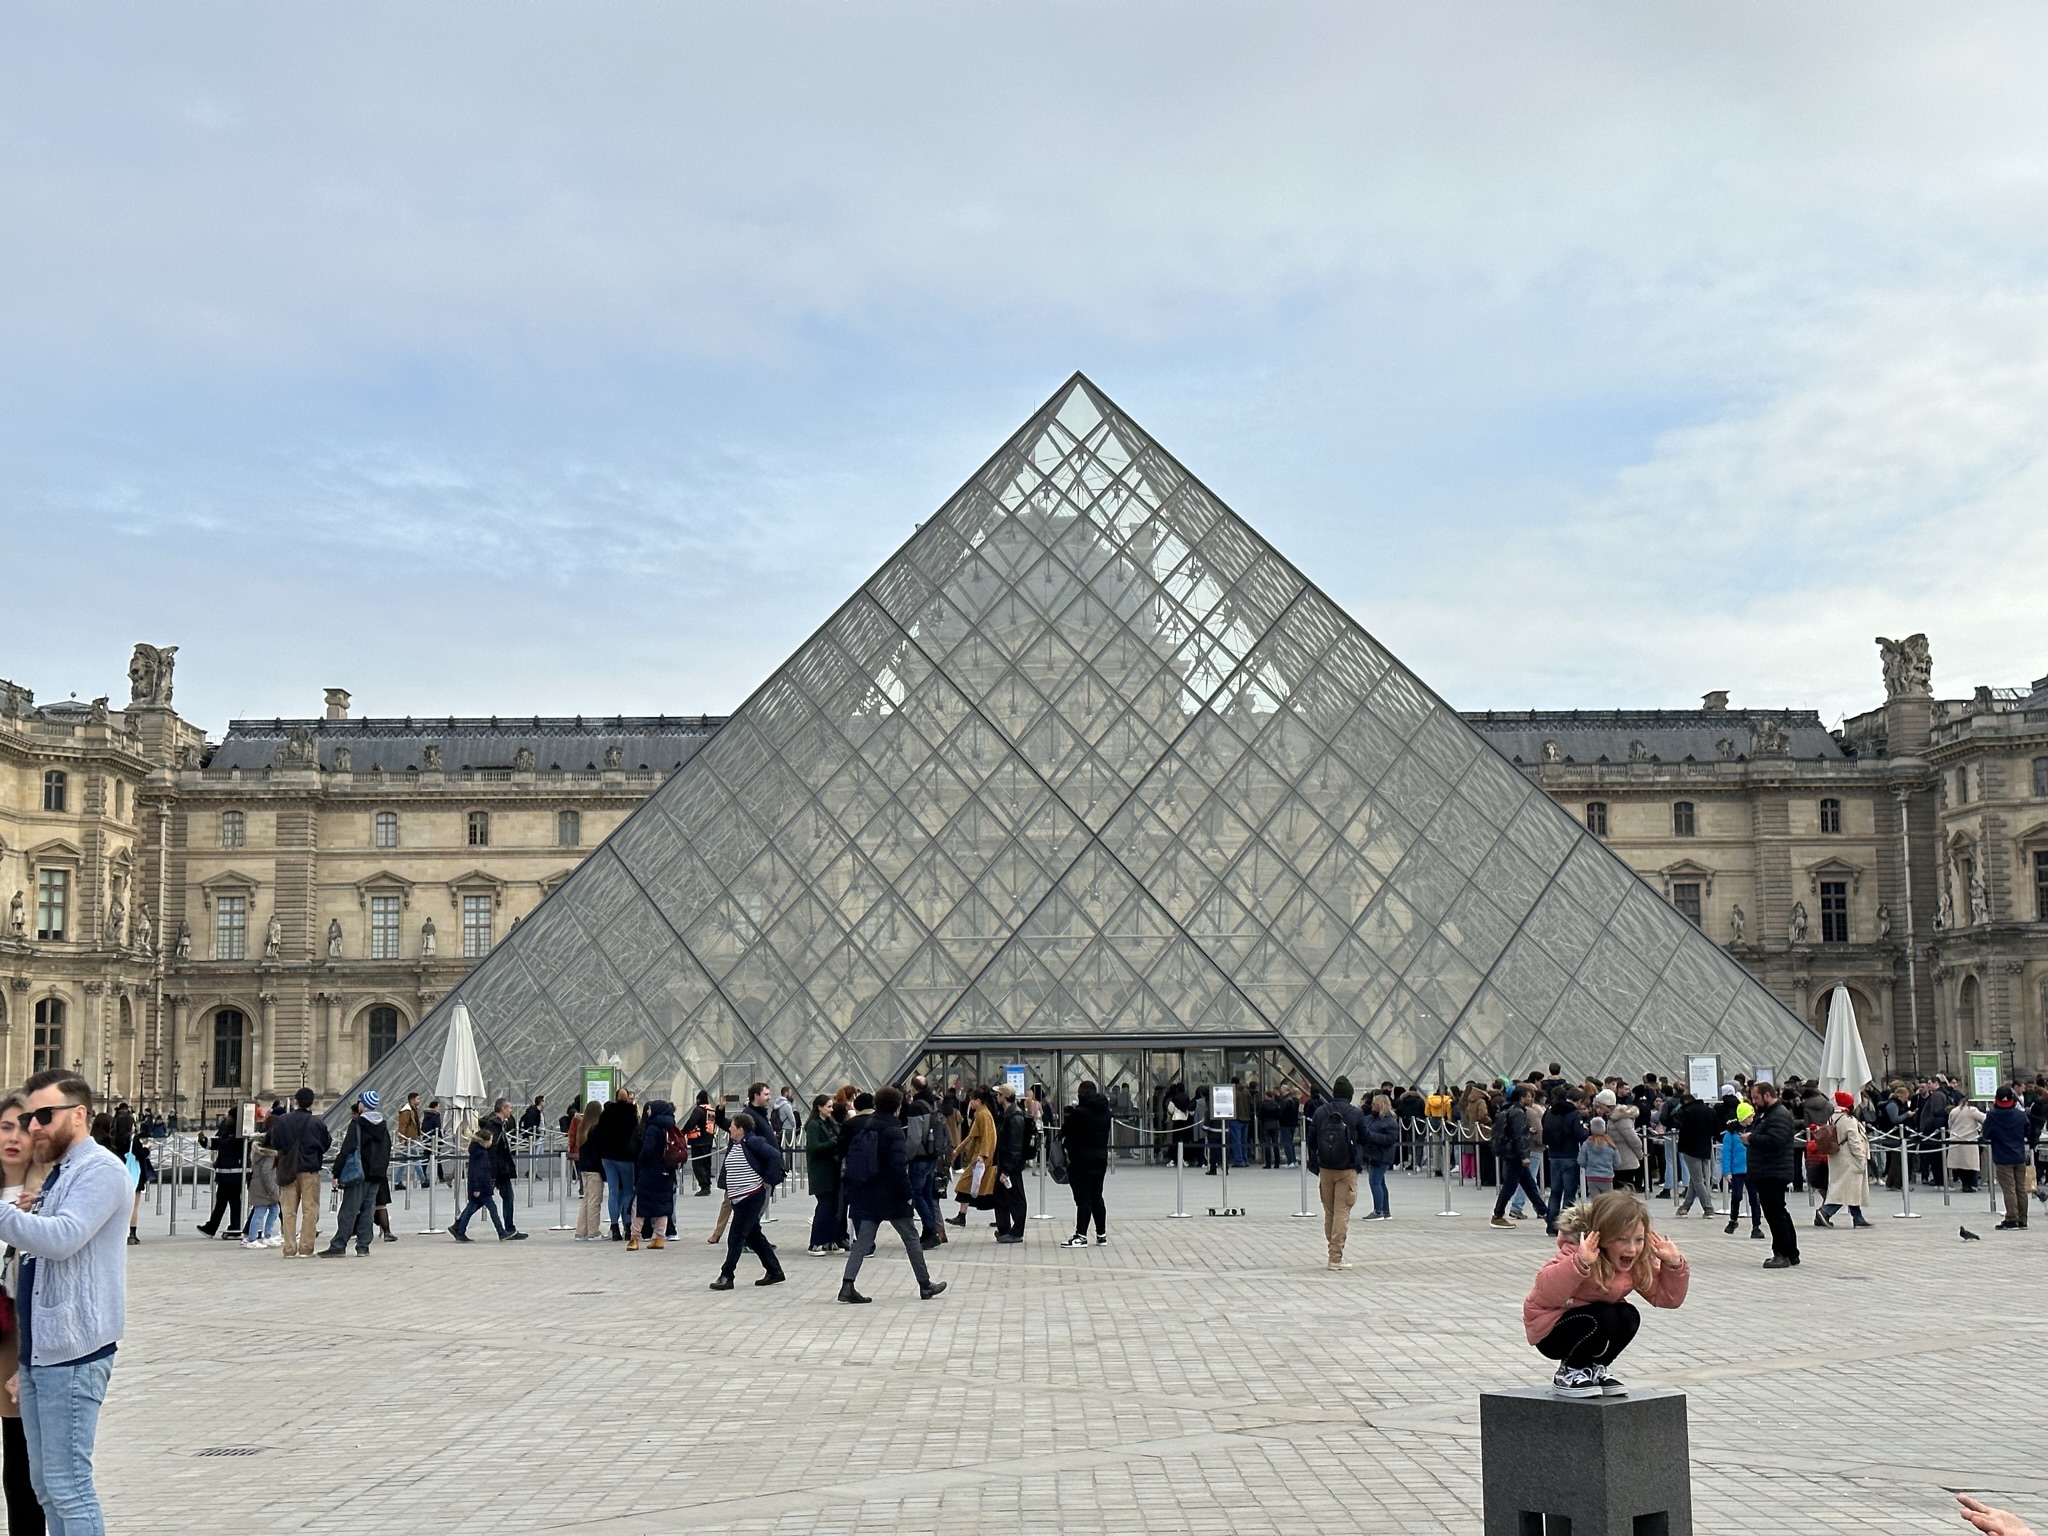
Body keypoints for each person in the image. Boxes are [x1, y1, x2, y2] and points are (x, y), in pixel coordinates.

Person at [0, 1070, 131, 1534]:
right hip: (45, 1353)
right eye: (30, 1116)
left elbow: (63, 1239)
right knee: (46, 1486)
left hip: (74, 1350)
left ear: (78, 1115)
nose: (33, 1126)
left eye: (43, 1115)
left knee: (69, 1487)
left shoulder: (101, 1169)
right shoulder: (65, 1172)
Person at [1523, 1190, 1689, 1397]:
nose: (1632, 1248)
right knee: (1604, 1315)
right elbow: (1546, 1293)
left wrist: (1673, 1265)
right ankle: (1569, 1372)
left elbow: (1666, 1298)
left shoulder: (1636, 1264)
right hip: (1551, 1332)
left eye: (1638, 1240)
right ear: (1603, 1236)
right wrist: (1579, 1263)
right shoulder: (1579, 1252)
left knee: (1628, 1315)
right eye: (1622, 1239)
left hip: (1593, 1325)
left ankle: (1594, 1368)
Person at [838, 1087, 946, 1303]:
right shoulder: (894, 1131)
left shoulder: (865, 1125)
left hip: (867, 1193)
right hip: (891, 1195)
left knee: (862, 1242)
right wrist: (907, 1194)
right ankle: (925, 1285)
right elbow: (898, 1167)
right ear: (897, 1108)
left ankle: (847, 1285)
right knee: (911, 1238)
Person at [0, 1090, 50, 1536]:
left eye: (22, 1127)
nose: (13, 1137)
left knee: (20, 1463)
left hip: (18, 1332)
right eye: (4, 1126)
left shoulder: (47, 1194)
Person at [709, 1111, 786, 1290]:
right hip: (741, 1196)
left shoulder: (753, 1141)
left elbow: (775, 1156)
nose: (730, 1128)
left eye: (733, 1127)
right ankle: (774, 1271)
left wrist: (768, 1178)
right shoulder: (738, 1142)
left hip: (751, 1195)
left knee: (736, 1236)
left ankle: (727, 1275)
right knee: (753, 1236)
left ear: (741, 1129)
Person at [320, 1091, 392, 1258]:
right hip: (376, 1175)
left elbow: (347, 1149)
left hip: (359, 1174)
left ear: (363, 1105)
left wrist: (336, 1172)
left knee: (349, 1210)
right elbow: (386, 1150)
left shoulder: (358, 1124)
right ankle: (363, 1247)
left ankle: (338, 1245)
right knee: (368, 1210)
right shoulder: (383, 1125)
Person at [264, 1086, 332, 1259]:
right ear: (312, 1103)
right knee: (310, 1210)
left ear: (295, 1101)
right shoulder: (317, 1123)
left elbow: (275, 1141)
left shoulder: (283, 1121)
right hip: (309, 1170)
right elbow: (326, 1144)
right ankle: (306, 1248)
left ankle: (289, 1248)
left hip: (288, 1170)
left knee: (288, 1210)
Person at [1307, 1077, 1365, 1269]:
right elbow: (1365, 1137)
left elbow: (1311, 1140)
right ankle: (1335, 1257)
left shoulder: (1320, 1112)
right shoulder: (1355, 1113)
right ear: (1349, 1095)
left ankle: (1332, 1250)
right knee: (1342, 1212)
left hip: (1325, 1169)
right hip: (1347, 1169)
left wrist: (1315, 1163)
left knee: (1329, 1213)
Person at [1747, 1082, 1800, 1268]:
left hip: (1772, 1170)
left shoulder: (1778, 1114)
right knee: (1779, 1211)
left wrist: (1751, 1138)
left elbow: (1775, 1141)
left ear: (1767, 1095)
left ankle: (1782, 1253)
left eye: (1756, 1098)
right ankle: (1792, 1252)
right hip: (1768, 1169)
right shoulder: (1768, 1113)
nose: (1754, 1102)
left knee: (1774, 1213)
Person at [1060, 1080, 1113, 1247]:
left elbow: (1066, 1132)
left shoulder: (1079, 1113)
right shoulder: (1106, 1112)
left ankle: (1081, 1235)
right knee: (1097, 1196)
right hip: (1100, 1158)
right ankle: (1101, 1234)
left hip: (1080, 1159)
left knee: (1083, 1198)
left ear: (1081, 1094)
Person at [1489, 1086, 1546, 1230]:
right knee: (1511, 1186)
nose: (1531, 1099)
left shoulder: (1508, 1109)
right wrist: (1523, 1156)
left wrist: (1528, 1130)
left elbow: (1514, 1131)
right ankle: (1498, 1215)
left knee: (1529, 1185)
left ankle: (1544, 1212)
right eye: (1529, 1096)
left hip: (1510, 1153)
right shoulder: (1519, 1113)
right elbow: (1518, 1136)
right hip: (1516, 1156)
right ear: (1521, 1098)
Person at [1814, 1091, 1873, 1228]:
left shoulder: (1833, 1117)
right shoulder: (1848, 1120)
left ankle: (1858, 1217)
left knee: (1851, 1189)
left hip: (1837, 1158)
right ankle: (1825, 1212)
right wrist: (1861, 1158)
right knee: (1844, 1190)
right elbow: (1854, 1142)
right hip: (1850, 1159)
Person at [629, 1100, 680, 1251]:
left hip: (651, 1171)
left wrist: (641, 1162)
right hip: (667, 1171)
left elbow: (647, 1150)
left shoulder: (653, 1128)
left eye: (650, 1109)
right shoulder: (670, 1126)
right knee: (662, 1204)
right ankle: (659, 1238)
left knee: (638, 1204)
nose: (648, 1112)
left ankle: (634, 1238)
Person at [948, 1089, 999, 1230]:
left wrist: (983, 1155)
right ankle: (962, 1215)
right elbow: (972, 1137)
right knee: (975, 1187)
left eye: (972, 1099)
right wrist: (958, 1150)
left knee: (969, 1185)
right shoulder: (981, 1114)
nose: (970, 1102)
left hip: (981, 1158)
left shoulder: (984, 1115)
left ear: (978, 1101)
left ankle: (962, 1216)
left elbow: (988, 1137)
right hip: (979, 1157)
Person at [903, 1079, 945, 1248]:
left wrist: (907, 1156)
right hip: (932, 1154)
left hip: (919, 1157)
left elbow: (914, 1138)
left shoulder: (916, 1107)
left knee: (916, 1194)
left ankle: (929, 1229)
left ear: (913, 1089)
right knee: (927, 1194)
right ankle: (932, 1229)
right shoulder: (933, 1103)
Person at [448, 1124, 508, 1241]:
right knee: (492, 1209)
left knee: (471, 1208)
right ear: (485, 1141)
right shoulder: (481, 1154)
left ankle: (459, 1228)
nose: (491, 1142)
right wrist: (477, 1188)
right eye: (490, 1140)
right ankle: (501, 1232)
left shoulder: (477, 1151)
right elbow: (478, 1172)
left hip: (480, 1186)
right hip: (482, 1187)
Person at [595, 1089, 639, 1241]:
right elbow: (635, 1136)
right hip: (625, 1157)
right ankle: (627, 1227)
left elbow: (598, 1133)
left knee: (613, 1192)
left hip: (608, 1157)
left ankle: (614, 1228)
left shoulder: (606, 1113)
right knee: (628, 1191)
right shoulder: (631, 1114)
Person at [1986, 1089, 2033, 1230]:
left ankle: (2012, 1218)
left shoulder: (1992, 1116)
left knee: (2009, 1189)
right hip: (2019, 1155)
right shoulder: (2020, 1115)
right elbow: (2027, 1131)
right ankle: (2023, 1218)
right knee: (2021, 1189)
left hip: (2002, 1156)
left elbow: (1986, 1134)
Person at [195, 1108, 245, 1240]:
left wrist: (217, 1141)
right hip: (225, 1173)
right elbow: (216, 1143)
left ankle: (229, 1227)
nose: (226, 1117)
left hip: (233, 1173)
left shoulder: (238, 1134)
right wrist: (204, 1141)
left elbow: (225, 1145)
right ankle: (219, 1227)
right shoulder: (227, 1131)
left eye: (229, 1115)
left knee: (230, 1201)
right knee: (225, 1201)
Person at [992, 1087, 1033, 1242]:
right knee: (1000, 1196)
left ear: (1005, 1096)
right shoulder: (1006, 1114)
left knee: (1016, 1197)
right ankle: (1004, 1229)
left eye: (999, 1095)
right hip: (1005, 1163)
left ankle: (1017, 1232)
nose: (997, 1097)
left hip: (1011, 1165)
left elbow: (1015, 1146)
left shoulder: (1015, 1117)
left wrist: (1008, 1169)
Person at [481, 1098, 525, 1239]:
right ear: (503, 1109)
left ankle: (459, 1225)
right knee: (493, 1197)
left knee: (487, 1197)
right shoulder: (495, 1124)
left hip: (499, 1167)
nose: (511, 1111)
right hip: (498, 1168)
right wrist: (493, 1169)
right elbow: (492, 1148)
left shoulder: (496, 1123)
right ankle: (509, 1228)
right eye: (510, 1108)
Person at [804, 1096, 842, 1255]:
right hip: (821, 1172)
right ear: (819, 1107)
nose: (831, 1110)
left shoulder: (830, 1123)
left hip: (832, 1171)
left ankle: (830, 1240)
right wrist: (833, 1143)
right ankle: (816, 1242)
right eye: (828, 1106)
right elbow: (813, 1147)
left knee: (834, 1208)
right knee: (824, 1208)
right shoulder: (814, 1125)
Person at [1672, 1091, 1719, 1219]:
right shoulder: (1710, 1111)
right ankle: (1685, 1207)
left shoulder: (1688, 1112)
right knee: (1696, 1179)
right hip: (1706, 1148)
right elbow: (1716, 1130)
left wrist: (1680, 1148)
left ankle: (1708, 1208)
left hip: (1691, 1149)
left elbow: (1684, 1132)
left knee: (1698, 1180)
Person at [1719, 1102, 1762, 1239]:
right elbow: (1726, 1153)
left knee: (1754, 1199)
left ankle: (1756, 1226)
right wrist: (1726, 1171)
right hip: (1737, 1170)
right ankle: (1733, 1219)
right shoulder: (1731, 1133)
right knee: (1736, 1196)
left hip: (1752, 1169)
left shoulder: (1755, 1131)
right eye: (1749, 1116)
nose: (1751, 1119)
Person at [243, 1107, 283, 1249]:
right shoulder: (270, 1154)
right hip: (264, 1186)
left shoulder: (262, 1149)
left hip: (260, 1184)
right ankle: (252, 1238)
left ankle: (267, 1235)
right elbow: (267, 1173)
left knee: (273, 1210)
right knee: (260, 1211)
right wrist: (273, 1191)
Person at [1359, 1094, 1400, 1221]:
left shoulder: (1389, 1122)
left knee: (1375, 1182)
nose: (1372, 1106)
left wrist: (1370, 1136)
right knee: (1380, 1183)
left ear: (1380, 1105)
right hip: (1374, 1154)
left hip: (1381, 1156)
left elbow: (1389, 1139)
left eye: (1374, 1104)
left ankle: (1378, 1211)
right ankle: (1385, 1210)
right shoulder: (1372, 1119)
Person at [573, 1100, 606, 1241]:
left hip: (584, 1167)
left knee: (586, 1200)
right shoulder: (596, 1129)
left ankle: (581, 1231)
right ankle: (593, 1231)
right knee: (594, 1200)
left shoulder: (583, 1127)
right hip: (594, 1169)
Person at [1948, 1094, 1987, 1193]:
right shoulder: (1972, 1110)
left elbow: (1950, 1124)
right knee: (1970, 1165)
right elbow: (1985, 1118)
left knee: (1960, 1165)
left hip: (1956, 1140)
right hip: (1969, 1140)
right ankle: (1971, 1185)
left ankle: (1965, 1184)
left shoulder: (1954, 1110)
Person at [682, 1091, 717, 1197]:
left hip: (698, 1141)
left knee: (698, 1164)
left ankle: (704, 1186)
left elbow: (691, 1123)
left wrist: (682, 1132)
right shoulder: (711, 1111)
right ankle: (707, 1185)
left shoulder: (698, 1110)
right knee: (706, 1164)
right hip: (708, 1141)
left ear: (698, 1100)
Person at [1578, 1117, 1619, 1199]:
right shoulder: (1610, 1144)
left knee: (1595, 1202)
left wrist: (1588, 1167)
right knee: (1607, 1201)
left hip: (1592, 1177)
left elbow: (1581, 1161)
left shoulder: (1587, 1144)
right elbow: (1617, 1162)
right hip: (1607, 1177)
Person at [394, 1092, 425, 1190]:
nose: (419, 1101)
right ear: (412, 1100)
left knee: (404, 1160)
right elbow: (403, 1126)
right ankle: (423, 1180)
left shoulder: (412, 1110)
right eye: (418, 1099)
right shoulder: (406, 1111)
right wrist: (402, 1138)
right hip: (409, 1139)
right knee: (416, 1159)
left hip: (411, 1138)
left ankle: (397, 1181)